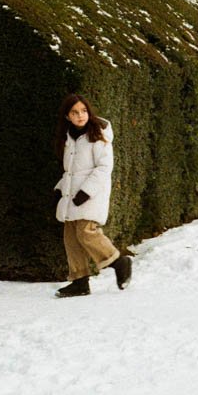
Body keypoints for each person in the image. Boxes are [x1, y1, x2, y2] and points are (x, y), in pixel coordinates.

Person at [52, 94, 131, 298]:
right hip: (71, 196)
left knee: (86, 232)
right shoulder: (69, 138)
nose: (80, 116)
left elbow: (104, 168)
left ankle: (118, 261)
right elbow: (70, 171)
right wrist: (62, 188)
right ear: (68, 116)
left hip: (90, 194)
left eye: (84, 111)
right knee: (71, 237)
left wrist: (86, 192)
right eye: (75, 112)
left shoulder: (98, 136)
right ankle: (79, 281)